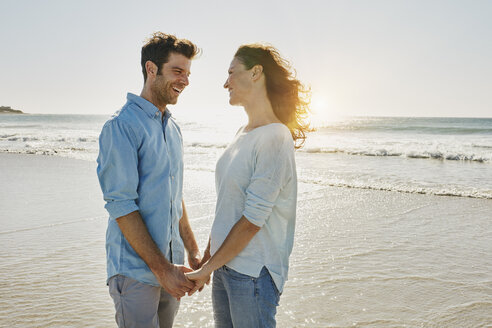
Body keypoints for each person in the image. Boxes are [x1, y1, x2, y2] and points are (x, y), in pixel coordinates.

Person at [186, 44, 310, 327]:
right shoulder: (242, 133)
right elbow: (227, 207)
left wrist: (208, 267)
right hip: (225, 267)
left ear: (256, 73)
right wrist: (207, 261)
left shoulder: (276, 136)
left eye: (231, 72)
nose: (225, 82)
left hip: (253, 272)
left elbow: (253, 219)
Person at [97, 32, 201, 328]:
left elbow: (174, 195)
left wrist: (192, 251)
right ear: (151, 69)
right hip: (135, 271)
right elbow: (121, 206)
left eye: (188, 73)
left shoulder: (173, 128)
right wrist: (163, 270)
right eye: (178, 71)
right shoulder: (122, 126)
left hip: (171, 268)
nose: (185, 81)